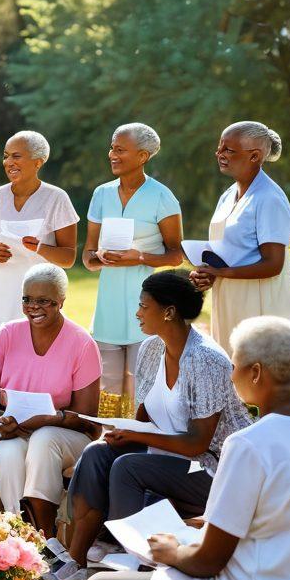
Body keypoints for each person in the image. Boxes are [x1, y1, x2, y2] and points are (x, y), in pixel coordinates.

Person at [80, 316, 290, 580]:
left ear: (256, 372)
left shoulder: (248, 443)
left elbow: (209, 562)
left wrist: (171, 551)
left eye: (235, 365)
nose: (230, 374)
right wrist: (207, 522)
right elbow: (285, 511)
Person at [59, 271, 252, 580]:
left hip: (209, 469)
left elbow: (198, 443)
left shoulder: (206, 359)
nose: (137, 313)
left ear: (169, 311)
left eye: (143, 306)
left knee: (128, 467)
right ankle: (76, 559)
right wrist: (123, 434)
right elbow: (143, 417)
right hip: (167, 457)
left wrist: (135, 437)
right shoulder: (151, 349)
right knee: (98, 453)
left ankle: (133, 563)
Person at [0, 264, 102, 536]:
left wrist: (46, 420)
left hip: (67, 434)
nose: (33, 307)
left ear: (61, 301)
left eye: (43, 301)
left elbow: (87, 416)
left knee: (44, 439)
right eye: (27, 299)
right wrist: (0, 419)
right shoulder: (7, 334)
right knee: (8, 453)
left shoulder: (81, 343)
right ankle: (20, 534)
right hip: (16, 430)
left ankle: (46, 537)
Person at [82, 123, 183, 415]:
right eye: (112, 148)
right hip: (108, 308)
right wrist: (100, 257)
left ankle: (139, 446)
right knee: (108, 390)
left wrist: (138, 257)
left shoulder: (162, 196)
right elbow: (87, 258)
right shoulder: (101, 194)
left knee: (143, 388)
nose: (112, 154)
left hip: (148, 305)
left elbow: (176, 255)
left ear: (142, 156)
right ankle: (107, 445)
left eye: (120, 149)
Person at [189, 121, 290, 353]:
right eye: (220, 148)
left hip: (260, 302)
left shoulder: (269, 198)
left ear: (254, 156)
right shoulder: (228, 195)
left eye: (229, 150)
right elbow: (224, 252)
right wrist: (208, 274)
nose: (220, 154)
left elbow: (273, 264)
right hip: (229, 296)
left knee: (257, 373)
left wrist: (221, 272)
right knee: (231, 370)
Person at [0, 130, 79, 362]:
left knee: (37, 362)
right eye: (6, 156)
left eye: (17, 156)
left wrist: (40, 248)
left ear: (38, 161)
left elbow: (68, 258)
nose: (9, 162)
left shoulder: (56, 198)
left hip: (40, 298)